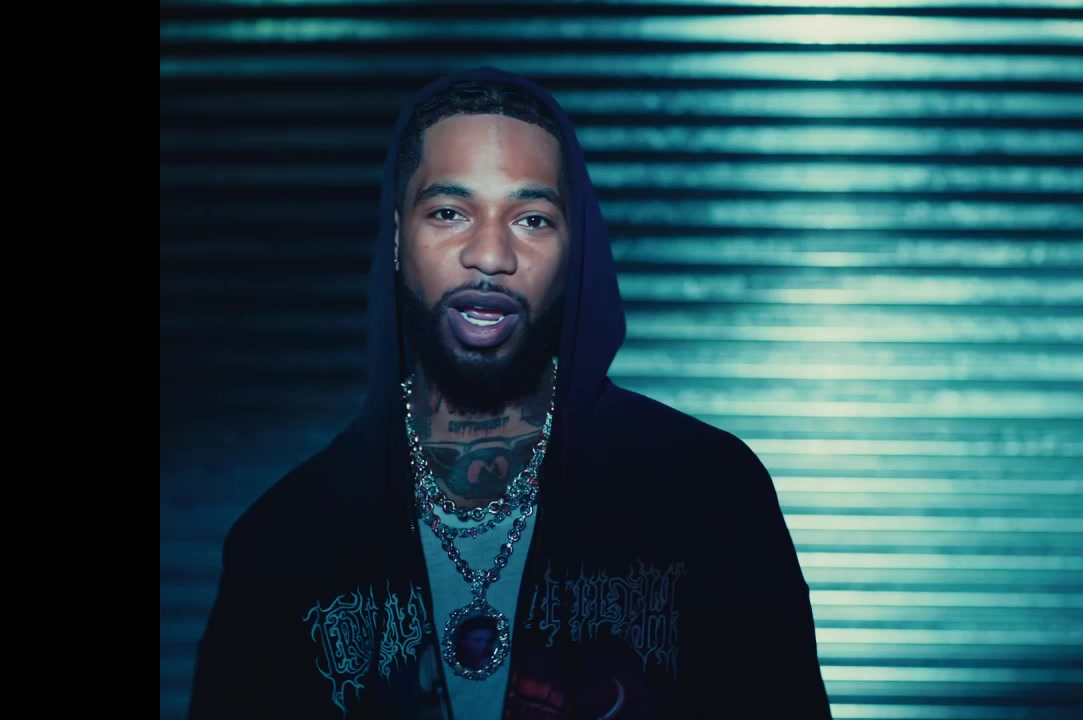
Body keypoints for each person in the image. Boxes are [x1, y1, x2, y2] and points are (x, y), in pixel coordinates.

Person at [187, 67, 831, 720]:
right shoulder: (284, 541)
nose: (491, 254)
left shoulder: (710, 495)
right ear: (397, 238)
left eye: (532, 219)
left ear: (575, 250)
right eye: (449, 212)